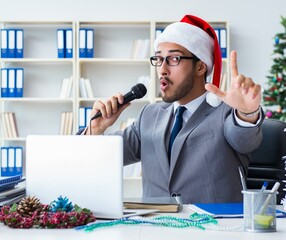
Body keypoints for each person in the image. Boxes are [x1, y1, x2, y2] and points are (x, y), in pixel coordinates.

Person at [78, 15, 264, 204]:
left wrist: (247, 113)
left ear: (200, 67)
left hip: (212, 230)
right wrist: (95, 130)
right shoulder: (150, 115)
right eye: (159, 59)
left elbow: (244, 139)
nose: (162, 70)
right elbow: (102, 158)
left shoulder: (227, 113)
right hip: (154, 230)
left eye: (174, 59)